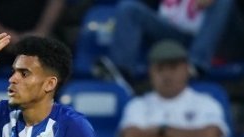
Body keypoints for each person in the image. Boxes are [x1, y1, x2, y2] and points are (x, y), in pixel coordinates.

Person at [103, 0, 244, 80]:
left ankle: (195, 66)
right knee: (128, 8)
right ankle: (121, 73)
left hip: (212, 41)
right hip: (172, 34)